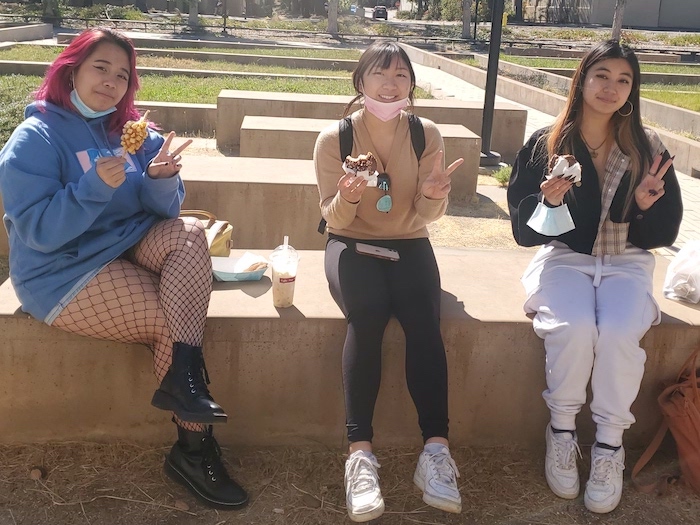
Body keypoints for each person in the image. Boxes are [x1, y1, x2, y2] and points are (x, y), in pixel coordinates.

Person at [0, 28, 248, 511]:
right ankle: (194, 448)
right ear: (71, 69)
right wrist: (90, 188)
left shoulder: (130, 130)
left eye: (123, 74)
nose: (112, 82)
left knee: (191, 235)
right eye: (101, 68)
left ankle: (186, 391)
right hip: (62, 268)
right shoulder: (35, 137)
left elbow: (168, 211)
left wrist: (159, 179)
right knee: (171, 325)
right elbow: (37, 232)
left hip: (130, 244)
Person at [507, 39, 682, 514]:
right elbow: (523, 231)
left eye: (624, 80)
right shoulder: (547, 143)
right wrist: (551, 203)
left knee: (622, 330)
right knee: (575, 327)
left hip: (626, 262)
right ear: (582, 79)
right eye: (602, 75)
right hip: (566, 259)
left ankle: (609, 445)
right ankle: (561, 430)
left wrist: (645, 208)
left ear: (634, 90)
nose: (611, 88)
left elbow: (665, 231)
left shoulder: (649, 149)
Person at [313, 41, 464, 522]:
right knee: (369, 312)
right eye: (381, 73)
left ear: (411, 85)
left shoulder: (426, 133)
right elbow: (331, 215)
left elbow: (425, 215)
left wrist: (432, 195)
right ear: (361, 82)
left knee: (424, 320)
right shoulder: (334, 139)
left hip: (409, 241)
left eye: (401, 75)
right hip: (350, 242)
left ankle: (436, 454)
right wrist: (349, 196)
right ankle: (360, 455)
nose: (391, 83)